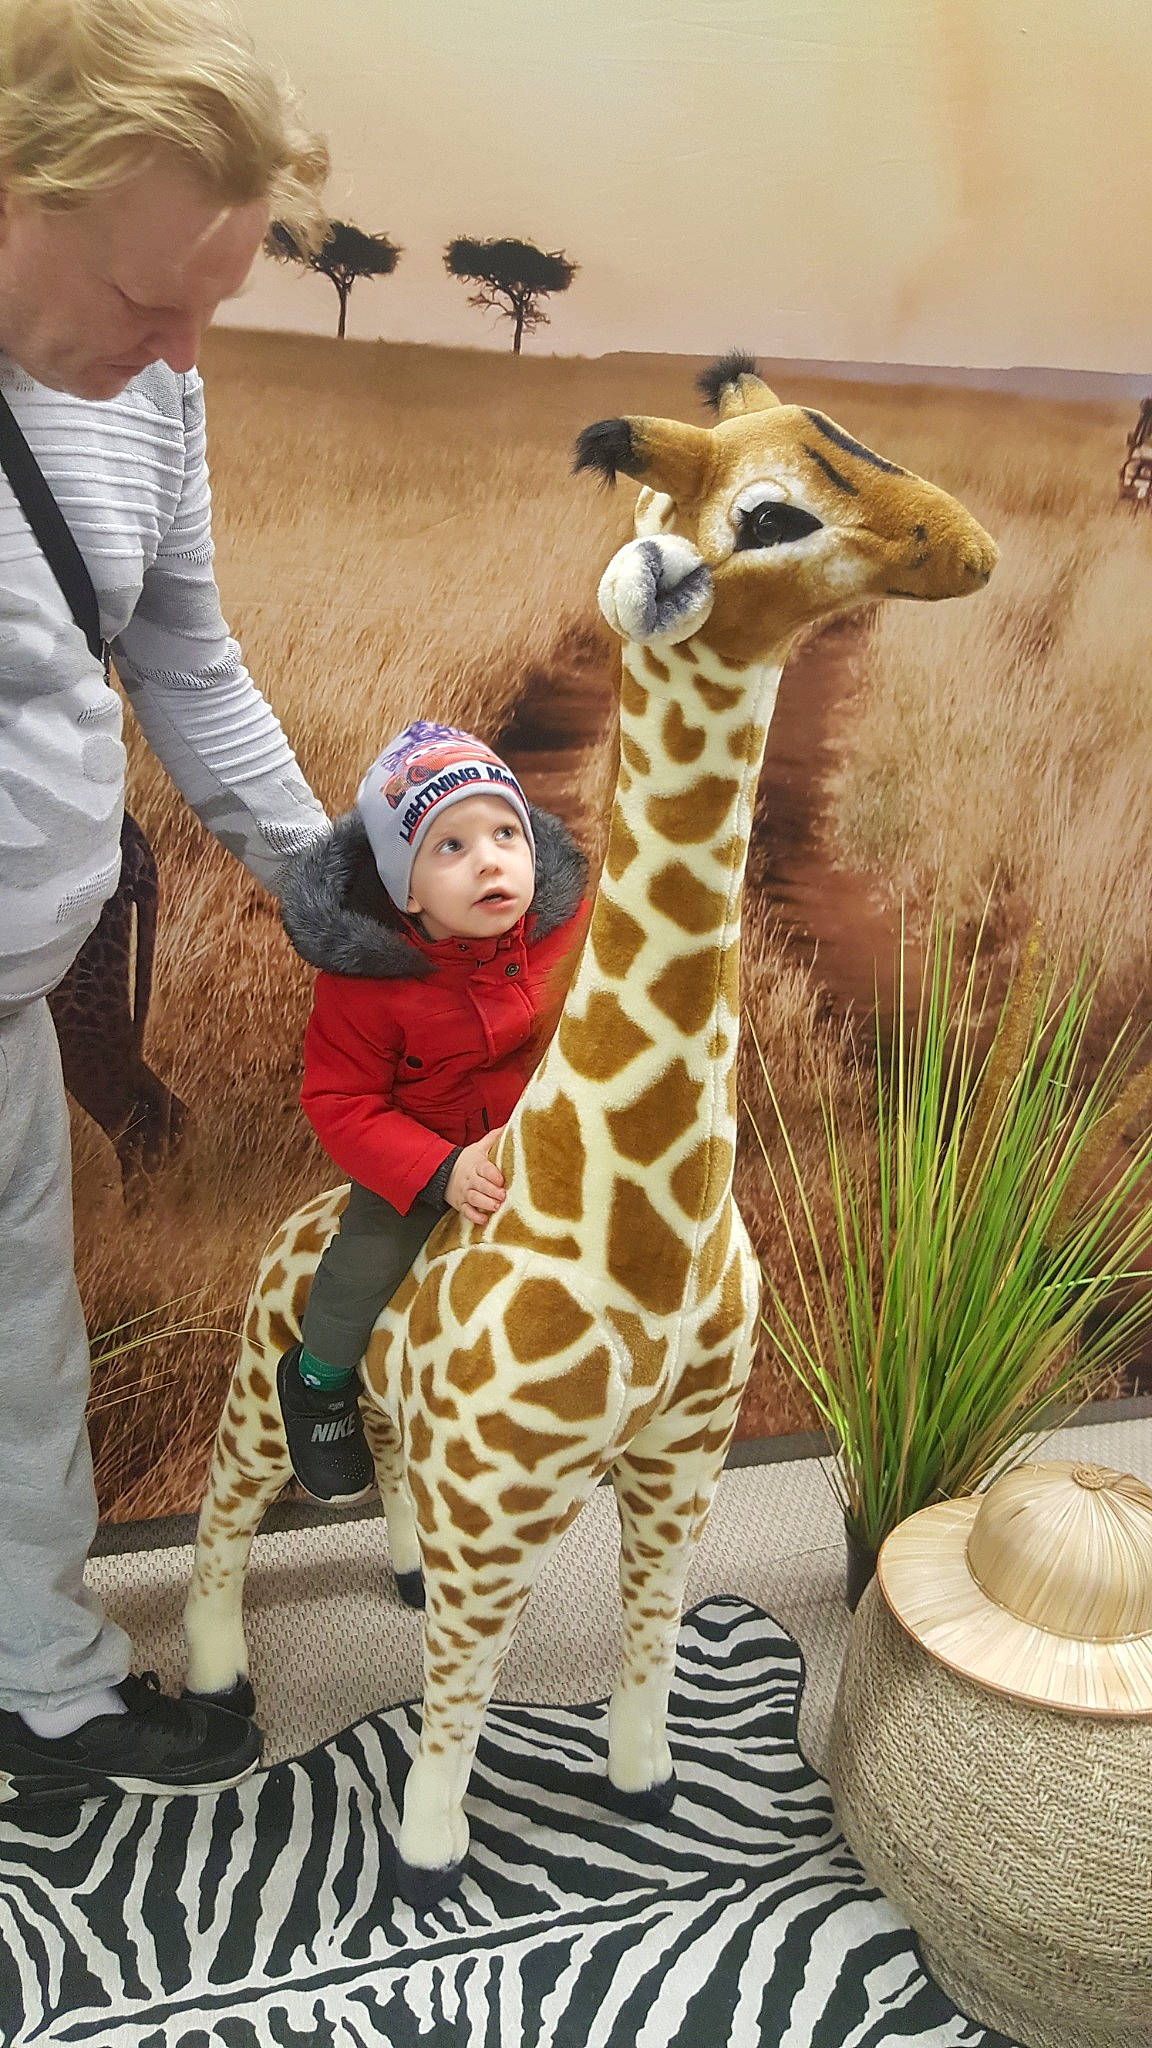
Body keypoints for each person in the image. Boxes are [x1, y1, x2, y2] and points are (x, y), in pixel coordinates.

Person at [0, 0, 333, 1807]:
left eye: (213, 307)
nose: (183, 355)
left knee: (23, 1357)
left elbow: (181, 655)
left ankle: (44, 1694)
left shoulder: (151, 392)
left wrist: (314, 878)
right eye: (151, 300)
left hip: (14, 994)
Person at [276, 721, 589, 1502]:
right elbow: (339, 1101)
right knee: (368, 1259)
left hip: (544, 1144)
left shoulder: (568, 934)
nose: (490, 859)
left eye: (506, 834)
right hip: (421, 1161)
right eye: (451, 846)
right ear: (405, 890)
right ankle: (318, 1381)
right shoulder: (366, 984)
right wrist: (438, 1170)